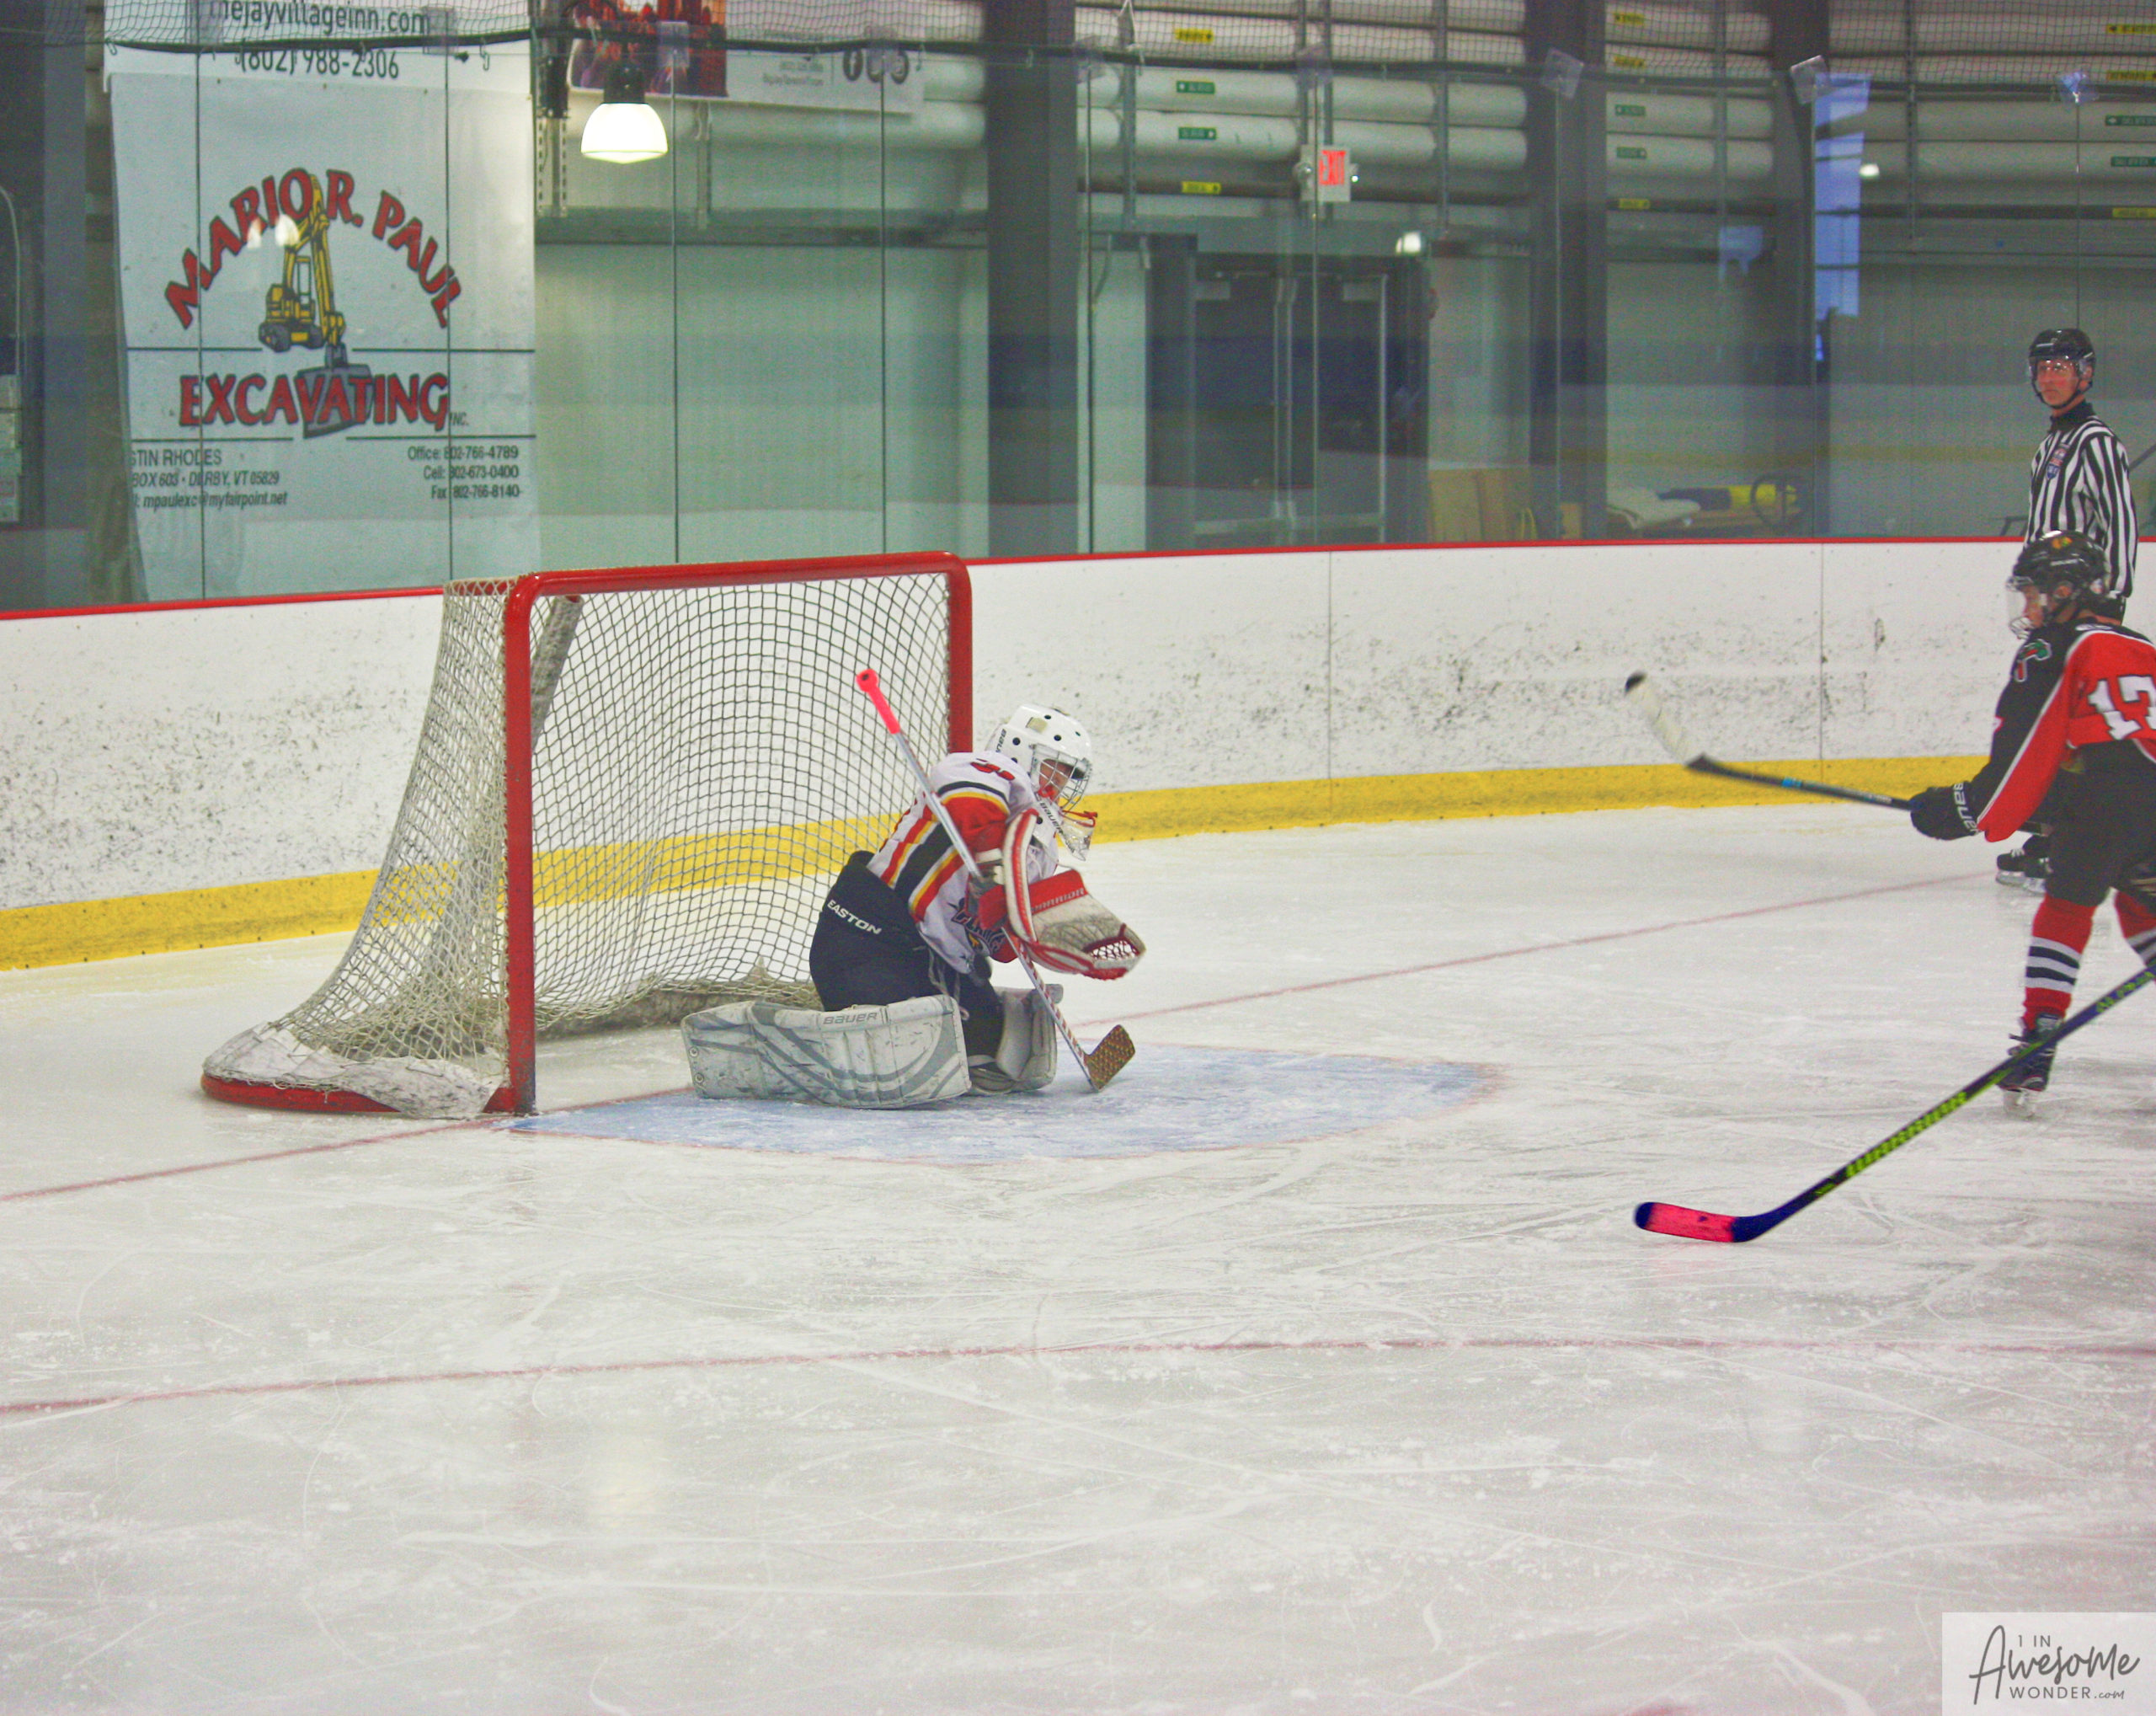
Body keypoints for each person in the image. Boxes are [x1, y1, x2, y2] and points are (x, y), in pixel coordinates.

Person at [1908, 532, 2156, 1111]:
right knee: (2138, 896)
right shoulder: (2143, 645)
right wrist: (2052, 809)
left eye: (2032, 593)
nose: (2027, 607)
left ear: (2064, 591)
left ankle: (2038, 1038)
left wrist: (1964, 808)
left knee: (2066, 907)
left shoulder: (2052, 646)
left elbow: (2024, 750)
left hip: (2105, 803)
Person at [806, 703, 1145, 1094]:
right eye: (1055, 766)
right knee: (908, 1045)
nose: (1061, 782)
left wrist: (1044, 937)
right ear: (1021, 748)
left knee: (993, 1052)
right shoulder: (984, 769)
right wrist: (993, 869)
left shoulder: (1039, 848)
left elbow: (997, 944)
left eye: (1068, 774)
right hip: (870, 938)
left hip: (937, 960)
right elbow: (971, 809)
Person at [1997, 328, 2141, 891]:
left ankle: (2070, 842)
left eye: (2061, 366)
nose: (2050, 376)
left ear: (2085, 374)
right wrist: (2034, 596)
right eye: (2043, 367)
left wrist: (2110, 604)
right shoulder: (2052, 444)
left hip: (2083, 608)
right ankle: (2053, 831)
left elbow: (2120, 523)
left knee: (2075, 725)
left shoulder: (2097, 442)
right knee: (2050, 720)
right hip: (2052, 607)